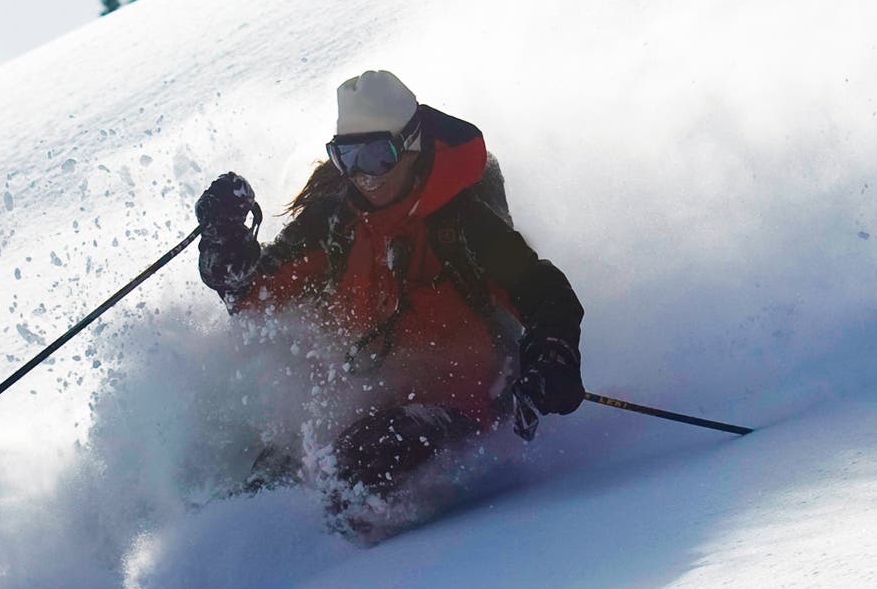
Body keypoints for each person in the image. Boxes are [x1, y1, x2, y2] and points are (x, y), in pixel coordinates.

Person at [194, 70, 584, 513]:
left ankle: (347, 550)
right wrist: (224, 242)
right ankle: (244, 543)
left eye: (378, 155)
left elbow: (540, 290)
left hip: (463, 401)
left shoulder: (461, 223)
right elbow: (255, 299)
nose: (365, 174)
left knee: (359, 467)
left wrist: (552, 353)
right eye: (348, 156)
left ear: (410, 145)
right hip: (357, 402)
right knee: (263, 488)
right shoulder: (333, 223)